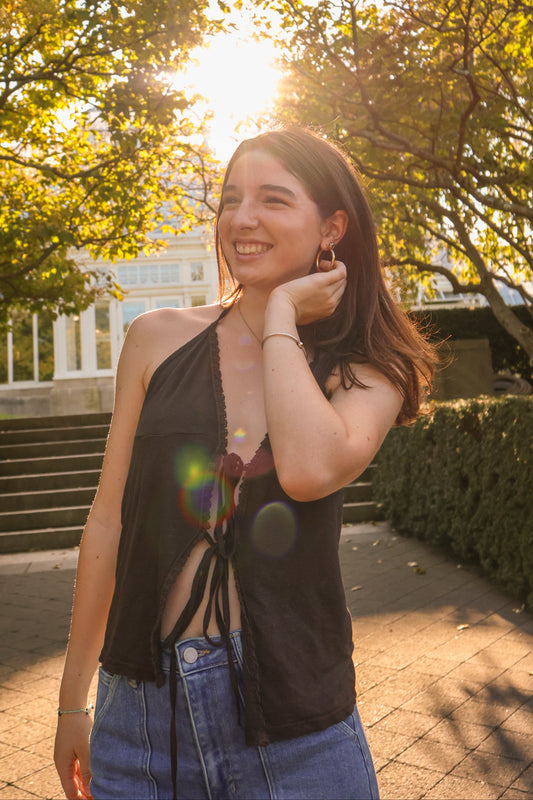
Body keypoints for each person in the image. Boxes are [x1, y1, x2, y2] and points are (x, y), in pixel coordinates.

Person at [54, 127, 435, 800]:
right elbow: (108, 525)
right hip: (139, 720)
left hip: (296, 731)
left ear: (331, 227)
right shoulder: (154, 340)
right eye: (230, 199)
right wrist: (71, 703)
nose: (242, 218)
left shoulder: (370, 368)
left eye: (273, 199)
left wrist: (282, 314)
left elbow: (308, 470)